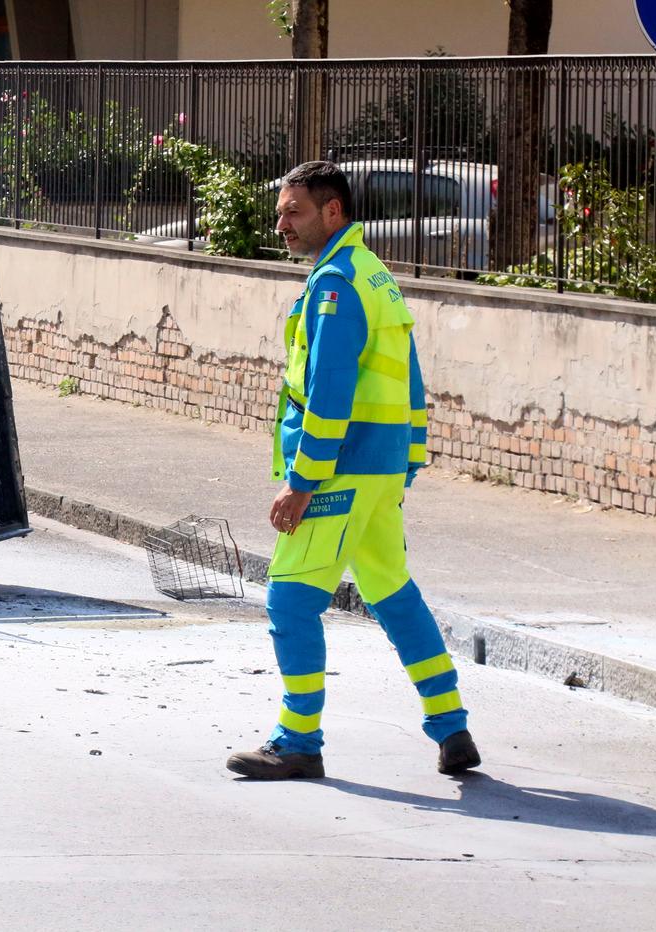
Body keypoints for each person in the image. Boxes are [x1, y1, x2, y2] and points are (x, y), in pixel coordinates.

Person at [225, 161, 481, 780]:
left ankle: (298, 741)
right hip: (380, 468)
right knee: (393, 595)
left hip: (338, 471)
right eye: (281, 210)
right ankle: (451, 728)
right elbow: (410, 379)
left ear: (333, 211)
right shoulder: (375, 276)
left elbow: (330, 390)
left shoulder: (337, 284)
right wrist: (406, 463)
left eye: (294, 212)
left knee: (289, 600)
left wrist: (301, 482)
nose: (281, 223)